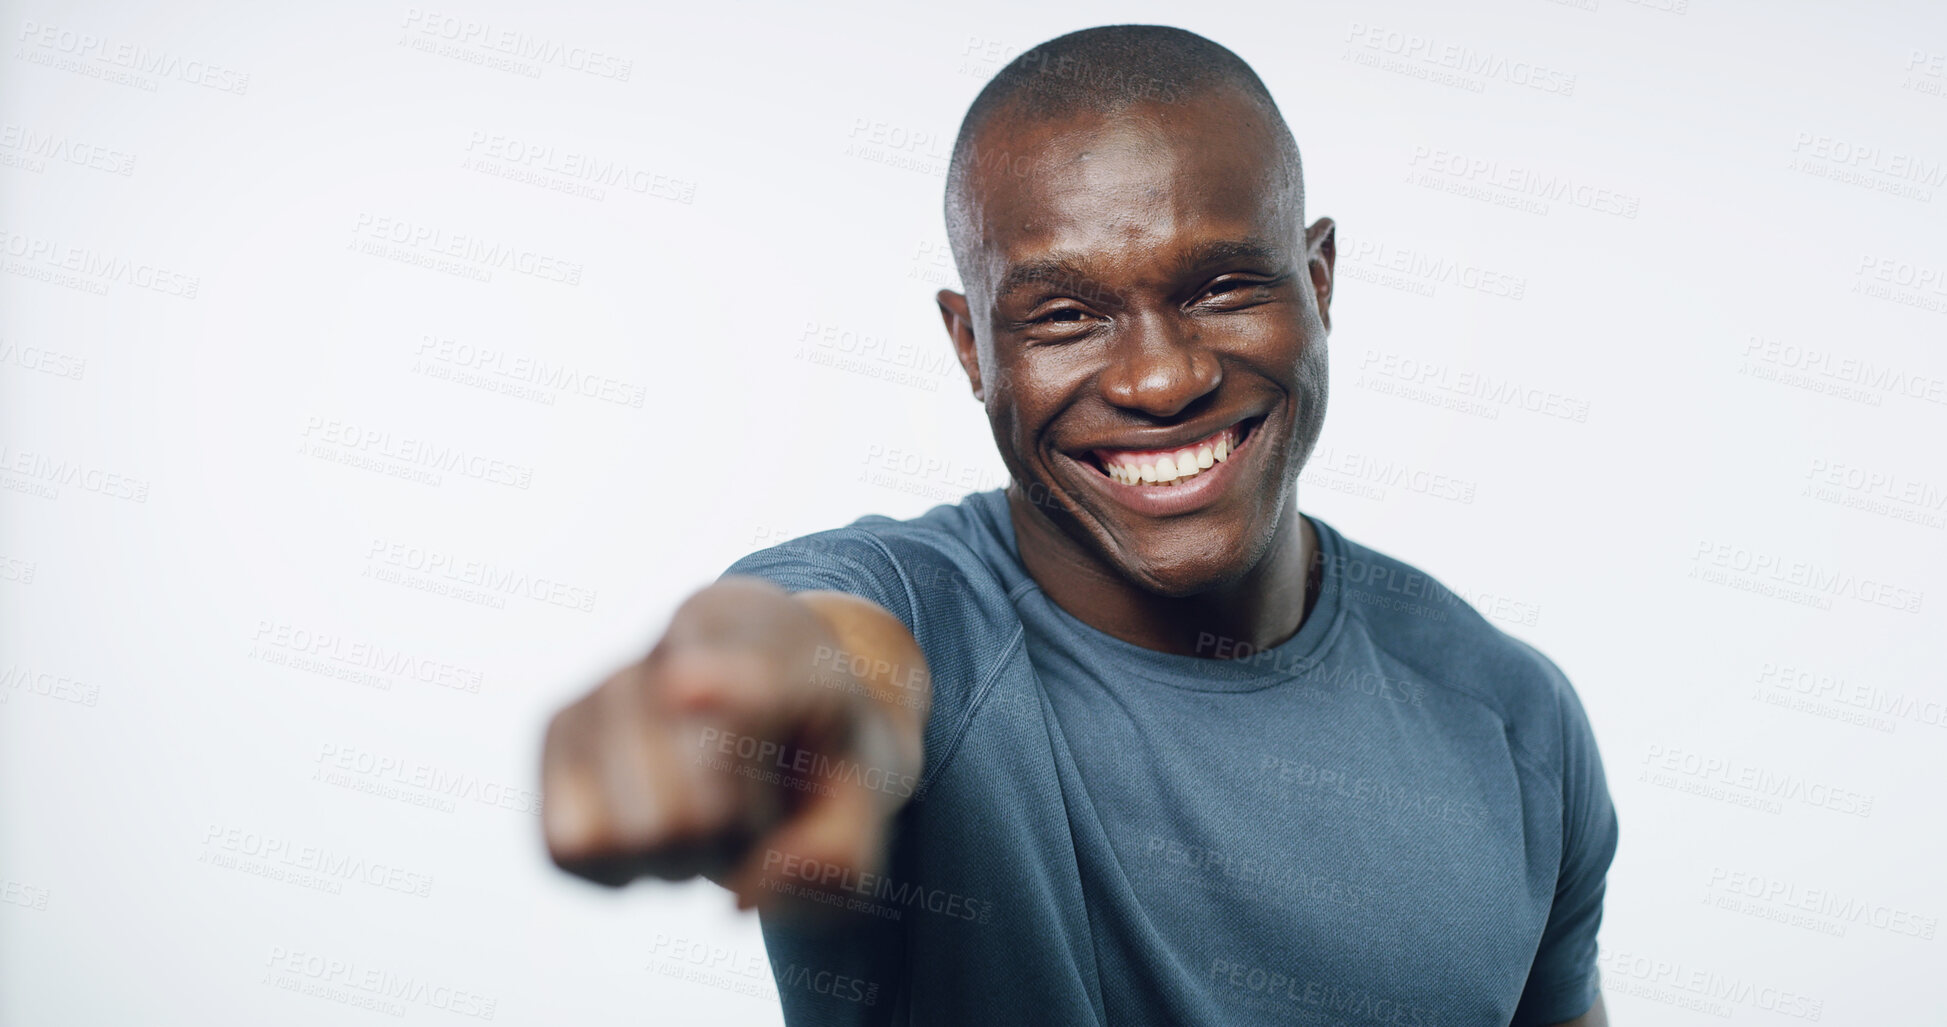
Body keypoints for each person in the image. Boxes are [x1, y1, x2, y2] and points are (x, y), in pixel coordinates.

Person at [541, 24, 1618, 1027]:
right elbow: (821, 646)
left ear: (1320, 279)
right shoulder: (917, 616)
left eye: (1224, 287)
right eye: (1065, 317)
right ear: (971, 349)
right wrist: (752, 705)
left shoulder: (1513, 715)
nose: (1160, 377)